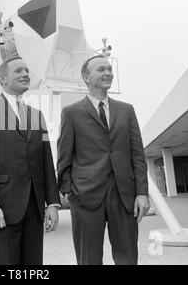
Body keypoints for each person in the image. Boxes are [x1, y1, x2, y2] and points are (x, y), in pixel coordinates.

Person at [0, 56, 61, 265]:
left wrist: (52, 204)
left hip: (34, 208)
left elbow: (47, 162)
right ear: (2, 78)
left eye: (27, 70)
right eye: (18, 71)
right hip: (2, 208)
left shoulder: (37, 115)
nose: (25, 74)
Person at [57, 55, 150, 265]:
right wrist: (68, 191)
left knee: (127, 258)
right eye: (101, 69)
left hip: (124, 194)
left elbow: (137, 155)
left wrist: (142, 193)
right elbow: (64, 156)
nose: (108, 73)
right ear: (86, 77)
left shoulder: (127, 110)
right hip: (84, 196)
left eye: (109, 69)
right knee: (88, 259)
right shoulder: (71, 113)